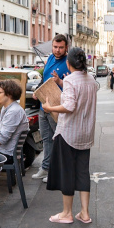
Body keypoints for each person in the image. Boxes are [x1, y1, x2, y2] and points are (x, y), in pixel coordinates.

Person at [41, 48, 98, 224]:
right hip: (86, 132)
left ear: (68, 63)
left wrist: (50, 108)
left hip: (68, 133)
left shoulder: (71, 81)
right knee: (82, 172)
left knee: (67, 172)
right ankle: (85, 213)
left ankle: (67, 213)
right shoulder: (91, 80)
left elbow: (70, 106)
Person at [31, 34, 70, 181]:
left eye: (61, 47)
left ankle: (58, 170)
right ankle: (45, 167)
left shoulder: (69, 62)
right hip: (43, 106)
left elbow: (73, 87)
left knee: (58, 140)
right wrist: (37, 91)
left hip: (57, 108)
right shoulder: (50, 59)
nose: (58, 50)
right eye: (55, 47)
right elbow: (44, 79)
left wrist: (60, 81)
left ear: (66, 47)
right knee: (46, 139)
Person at [0, 79, 29, 162]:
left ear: (9, 94)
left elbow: (1, 140)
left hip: (6, 155)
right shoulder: (7, 108)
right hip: (3, 151)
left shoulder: (14, 111)